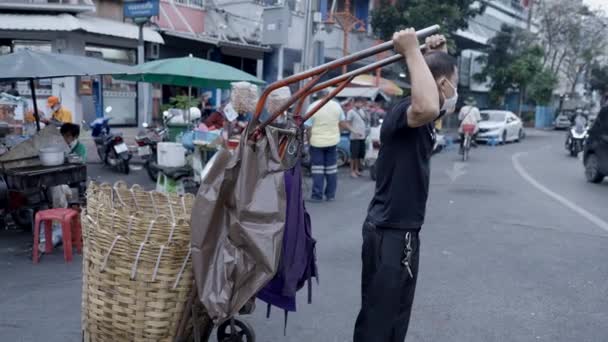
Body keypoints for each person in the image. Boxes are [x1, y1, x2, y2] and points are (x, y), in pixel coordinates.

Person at [353, 30, 458, 342]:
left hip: (399, 231)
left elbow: (438, 100)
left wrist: (436, 55)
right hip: (391, 233)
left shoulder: (427, 113)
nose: (456, 91)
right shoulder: (405, 111)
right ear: (441, 84)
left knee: (394, 319)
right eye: (454, 82)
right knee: (379, 324)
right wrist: (413, 52)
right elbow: (427, 103)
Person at [305, 90, 345, 202]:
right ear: (329, 95)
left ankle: (317, 195)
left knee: (318, 170)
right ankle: (330, 195)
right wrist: (337, 134)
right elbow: (342, 123)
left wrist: (308, 141)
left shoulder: (312, 107)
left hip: (316, 143)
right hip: (332, 142)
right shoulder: (337, 106)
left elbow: (308, 128)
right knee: (331, 169)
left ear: (317, 95)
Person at [344, 97, 369, 178]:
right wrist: (354, 131)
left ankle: (357, 170)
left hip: (363, 136)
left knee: (359, 154)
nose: (359, 104)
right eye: (358, 102)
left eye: (361, 102)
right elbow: (347, 123)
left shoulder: (363, 111)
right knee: (353, 155)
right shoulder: (351, 112)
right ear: (354, 103)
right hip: (354, 137)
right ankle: (352, 171)